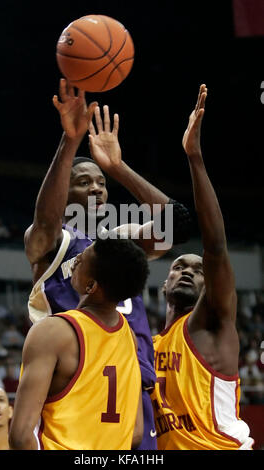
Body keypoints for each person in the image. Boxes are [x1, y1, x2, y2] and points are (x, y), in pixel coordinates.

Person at [24, 79, 191, 449]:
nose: (97, 188)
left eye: (101, 183)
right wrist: (69, 144)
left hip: (135, 387)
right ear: (64, 192)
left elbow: (174, 226)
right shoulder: (53, 241)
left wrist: (117, 168)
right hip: (78, 383)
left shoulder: (119, 241)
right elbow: (47, 221)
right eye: (84, 182)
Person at [151, 84, 254, 450]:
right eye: (179, 265)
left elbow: (215, 247)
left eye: (198, 269)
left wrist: (194, 157)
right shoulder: (146, 345)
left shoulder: (212, 322)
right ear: (163, 285)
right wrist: (114, 166)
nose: (188, 270)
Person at [9, 237, 147, 450]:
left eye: (81, 260)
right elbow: (136, 433)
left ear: (91, 286)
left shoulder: (53, 332)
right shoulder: (130, 337)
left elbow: (20, 436)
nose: (75, 261)